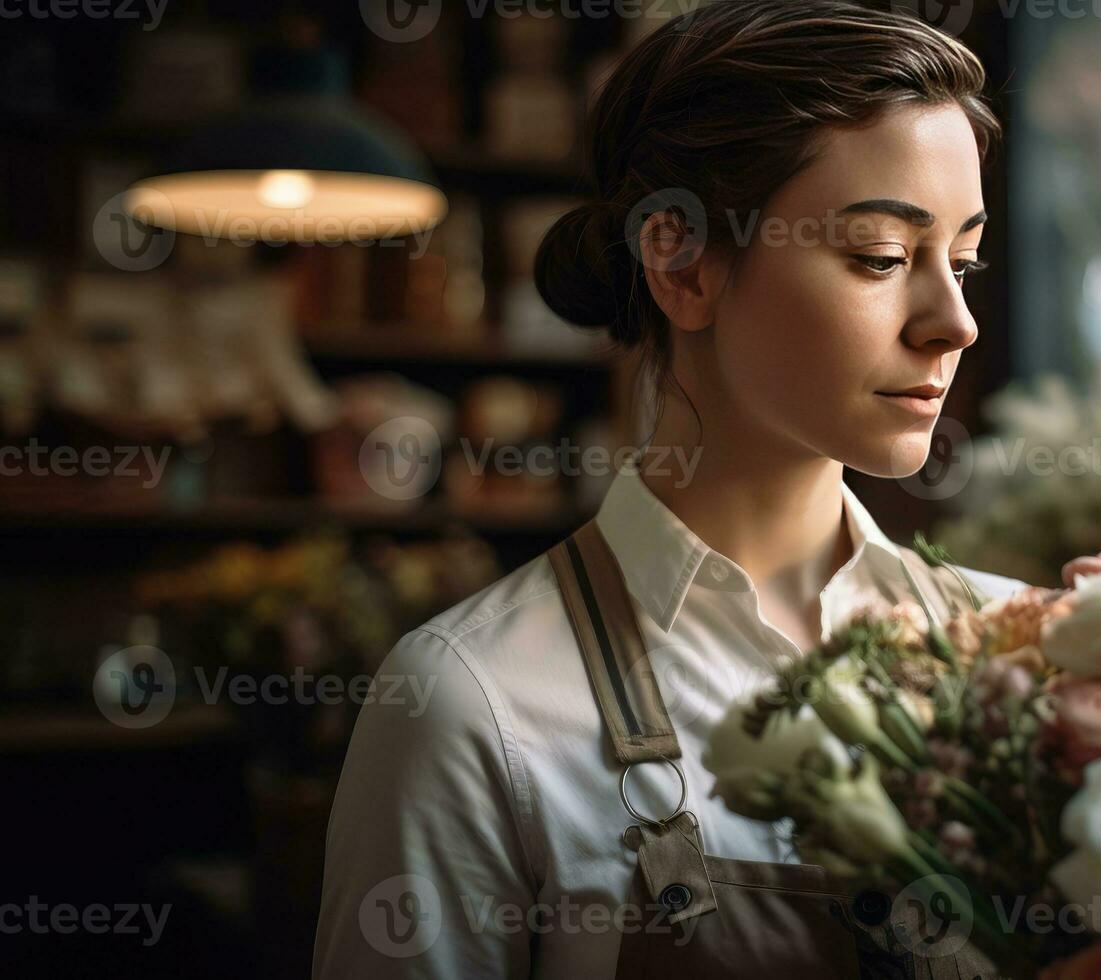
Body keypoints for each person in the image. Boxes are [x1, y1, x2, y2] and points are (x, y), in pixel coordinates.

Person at [312, 3, 1029, 976]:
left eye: (965, 260)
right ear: (682, 263)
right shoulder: (472, 705)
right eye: (881, 256)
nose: (955, 322)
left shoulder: (1017, 651)